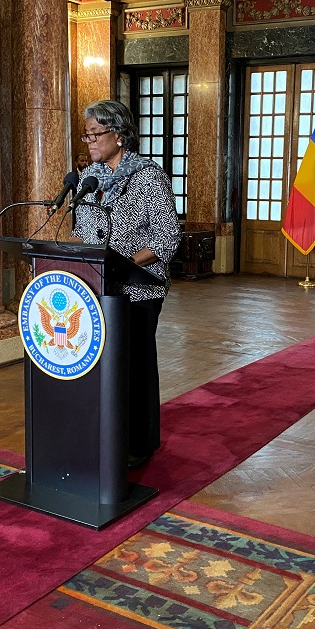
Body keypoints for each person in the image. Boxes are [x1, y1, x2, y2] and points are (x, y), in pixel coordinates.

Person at [73, 100, 181, 469]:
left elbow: (167, 236)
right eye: (86, 134)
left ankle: (140, 442)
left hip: (137, 291)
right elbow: (82, 231)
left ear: (118, 135)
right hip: (97, 291)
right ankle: (105, 435)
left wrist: (123, 266)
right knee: (103, 367)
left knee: (134, 364)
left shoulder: (148, 177)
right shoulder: (91, 180)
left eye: (95, 134)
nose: (89, 141)